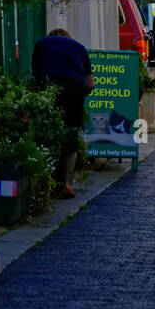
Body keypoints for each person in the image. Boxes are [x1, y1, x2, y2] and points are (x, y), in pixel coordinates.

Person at [31, 27, 93, 198]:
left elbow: (35, 75)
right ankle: (67, 183)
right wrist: (82, 94)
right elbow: (90, 83)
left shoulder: (41, 44)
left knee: (46, 134)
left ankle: (46, 182)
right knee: (71, 135)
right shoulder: (78, 47)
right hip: (74, 89)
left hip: (49, 87)